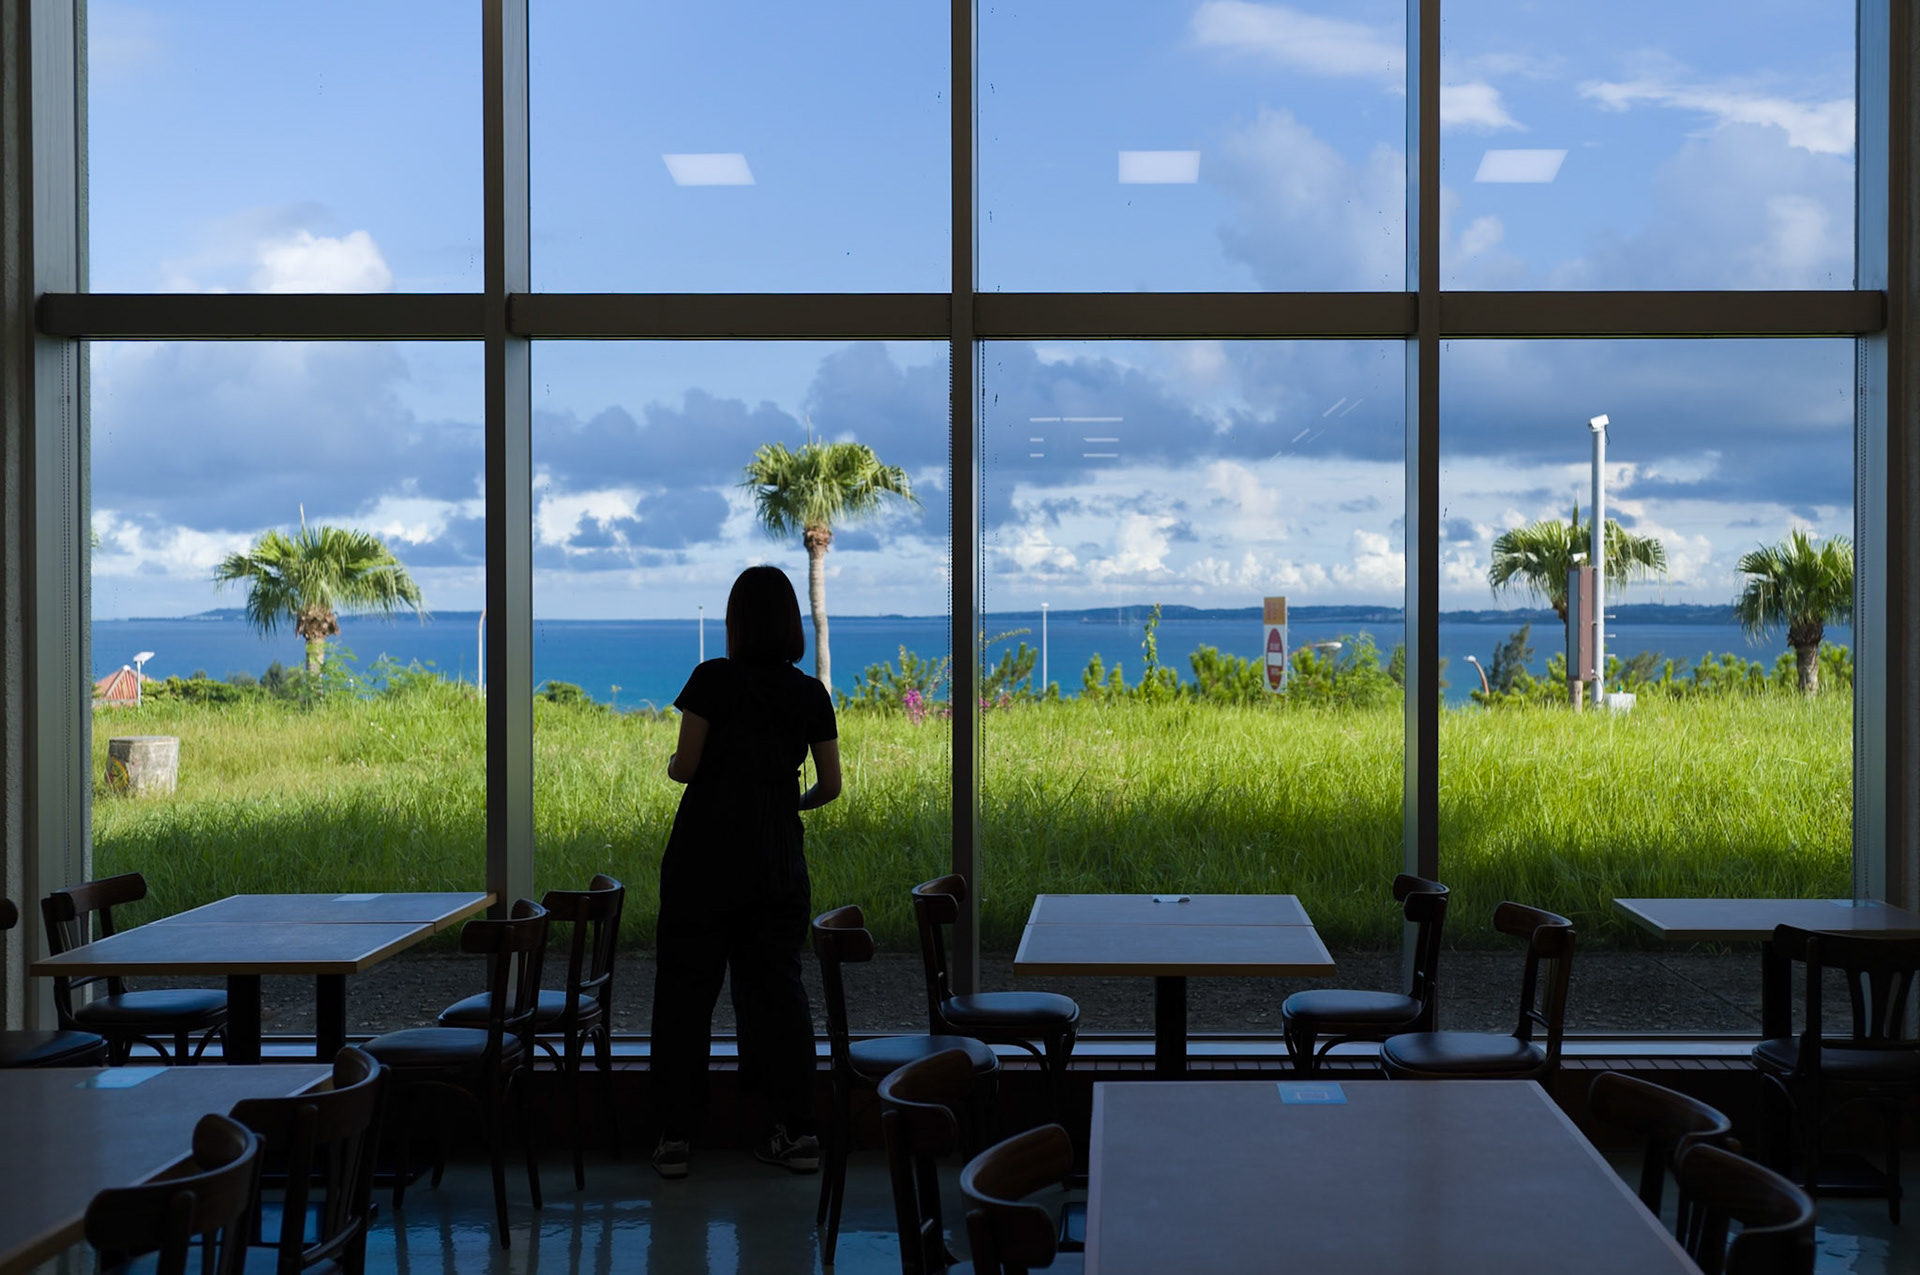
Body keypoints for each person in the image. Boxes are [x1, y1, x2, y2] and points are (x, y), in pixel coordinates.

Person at [649, 565, 842, 1180]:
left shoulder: (712, 679)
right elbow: (831, 786)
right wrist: (788, 804)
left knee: (685, 994)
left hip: (703, 857)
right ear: (791, 625)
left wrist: (677, 765)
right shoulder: (810, 693)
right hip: (776, 860)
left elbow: (685, 767)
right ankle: (796, 1131)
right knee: (778, 996)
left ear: (734, 624)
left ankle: (676, 1137)